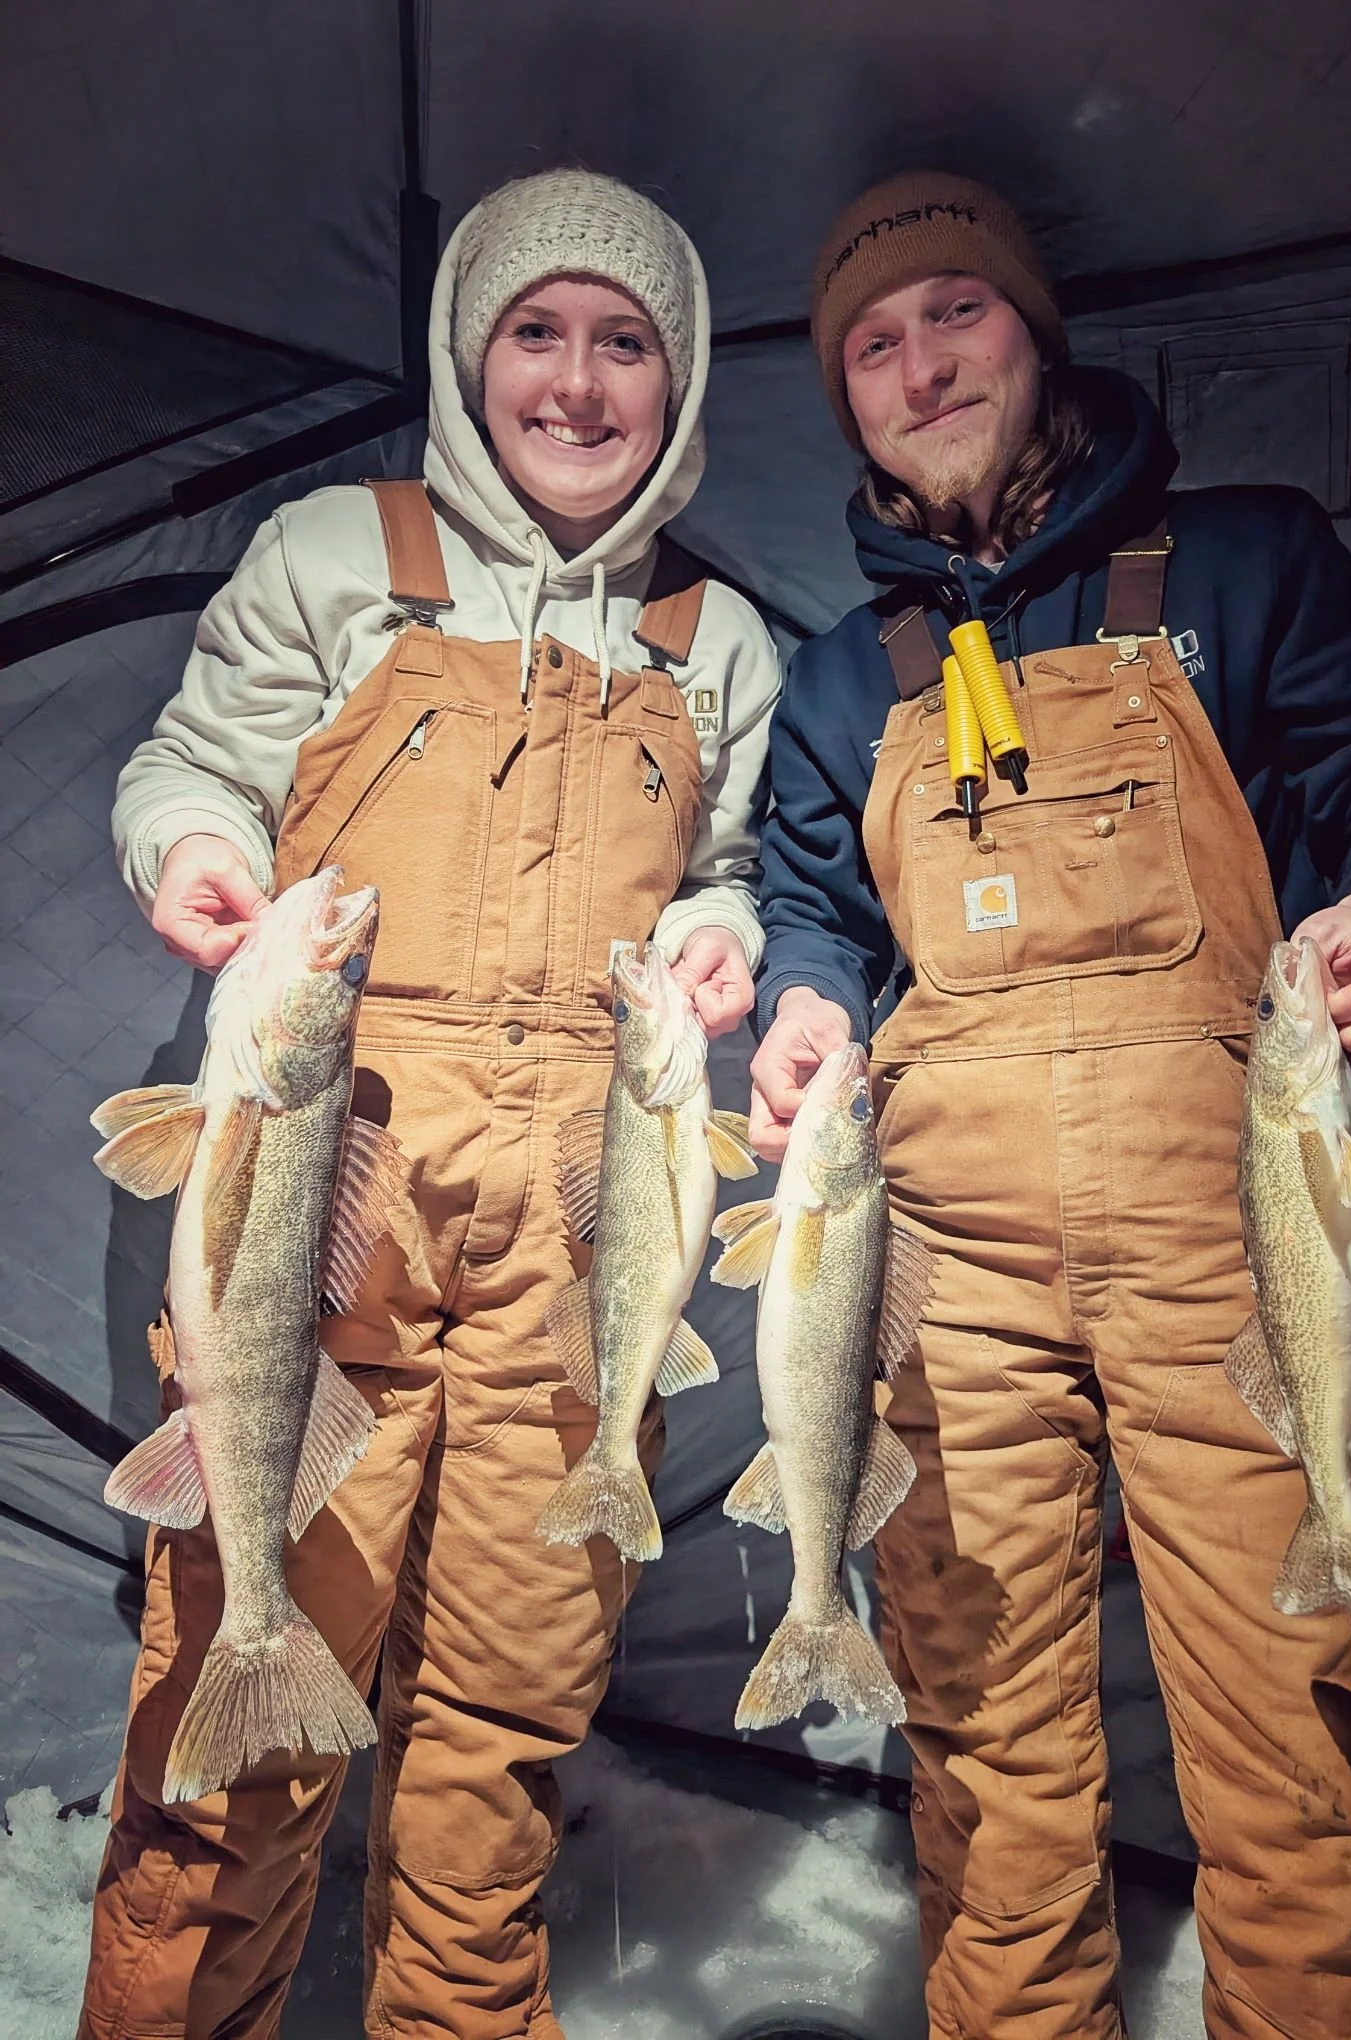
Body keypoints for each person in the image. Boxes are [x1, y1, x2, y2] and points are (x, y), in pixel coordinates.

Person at [750, 171, 1351, 2040]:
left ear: (1034, 329)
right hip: (949, 1281)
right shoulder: (844, 681)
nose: (923, 366)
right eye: (875, 342)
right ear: (843, 396)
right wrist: (805, 1011)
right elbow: (813, 914)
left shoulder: (1243, 561)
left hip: (1225, 1248)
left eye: (957, 314)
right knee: (988, 1773)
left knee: (1300, 1748)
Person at [80, 168, 779, 2039]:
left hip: (565, 1265)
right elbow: (189, 760)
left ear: (680, 378)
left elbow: (723, 867)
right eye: (534, 333)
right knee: (232, 1756)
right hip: (324, 1245)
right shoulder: (333, 552)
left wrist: (719, 934)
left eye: (624, 342)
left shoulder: (721, 644)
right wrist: (200, 850)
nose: (575, 382)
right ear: (473, 359)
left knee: (501, 1746)